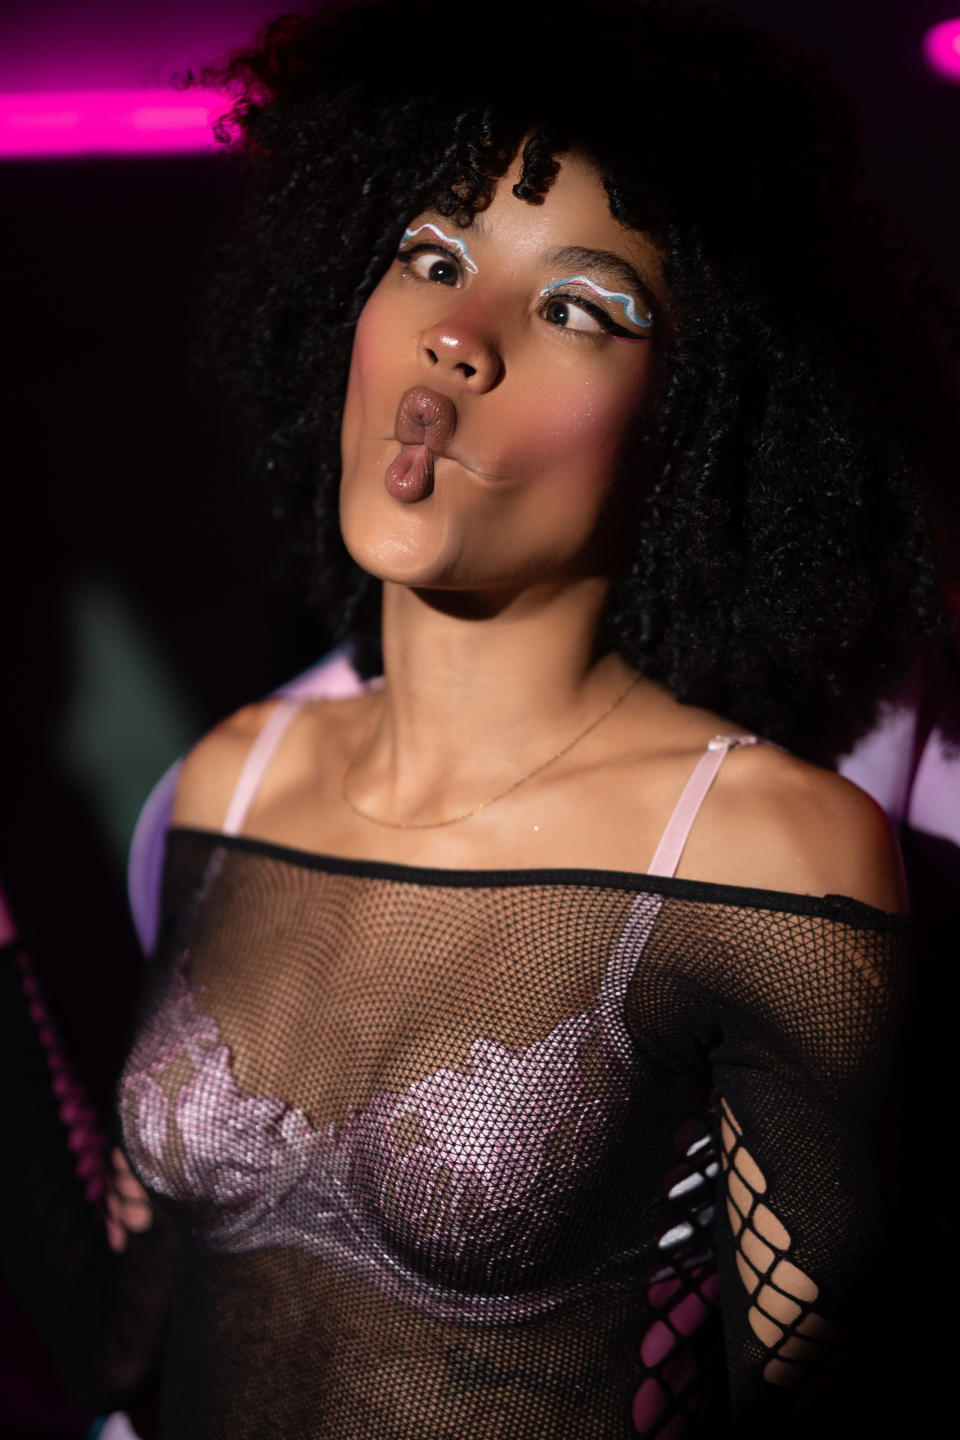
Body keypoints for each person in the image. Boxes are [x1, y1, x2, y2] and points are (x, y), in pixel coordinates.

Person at [5, 1, 959, 1436]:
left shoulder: (763, 858)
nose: (458, 338)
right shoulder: (234, 782)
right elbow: (114, 1347)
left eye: (579, 307)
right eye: (433, 257)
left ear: (692, 423)